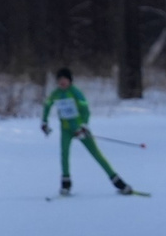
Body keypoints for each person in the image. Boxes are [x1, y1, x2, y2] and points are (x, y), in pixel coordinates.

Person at [41, 68, 134, 196]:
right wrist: (44, 122)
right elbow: (47, 105)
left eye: (65, 80)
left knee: (96, 154)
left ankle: (118, 182)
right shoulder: (55, 93)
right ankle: (66, 184)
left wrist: (83, 126)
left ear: (70, 81)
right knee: (64, 155)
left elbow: (85, 111)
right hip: (66, 130)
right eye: (60, 80)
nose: (62, 82)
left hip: (79, 129)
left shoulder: (76, 92)